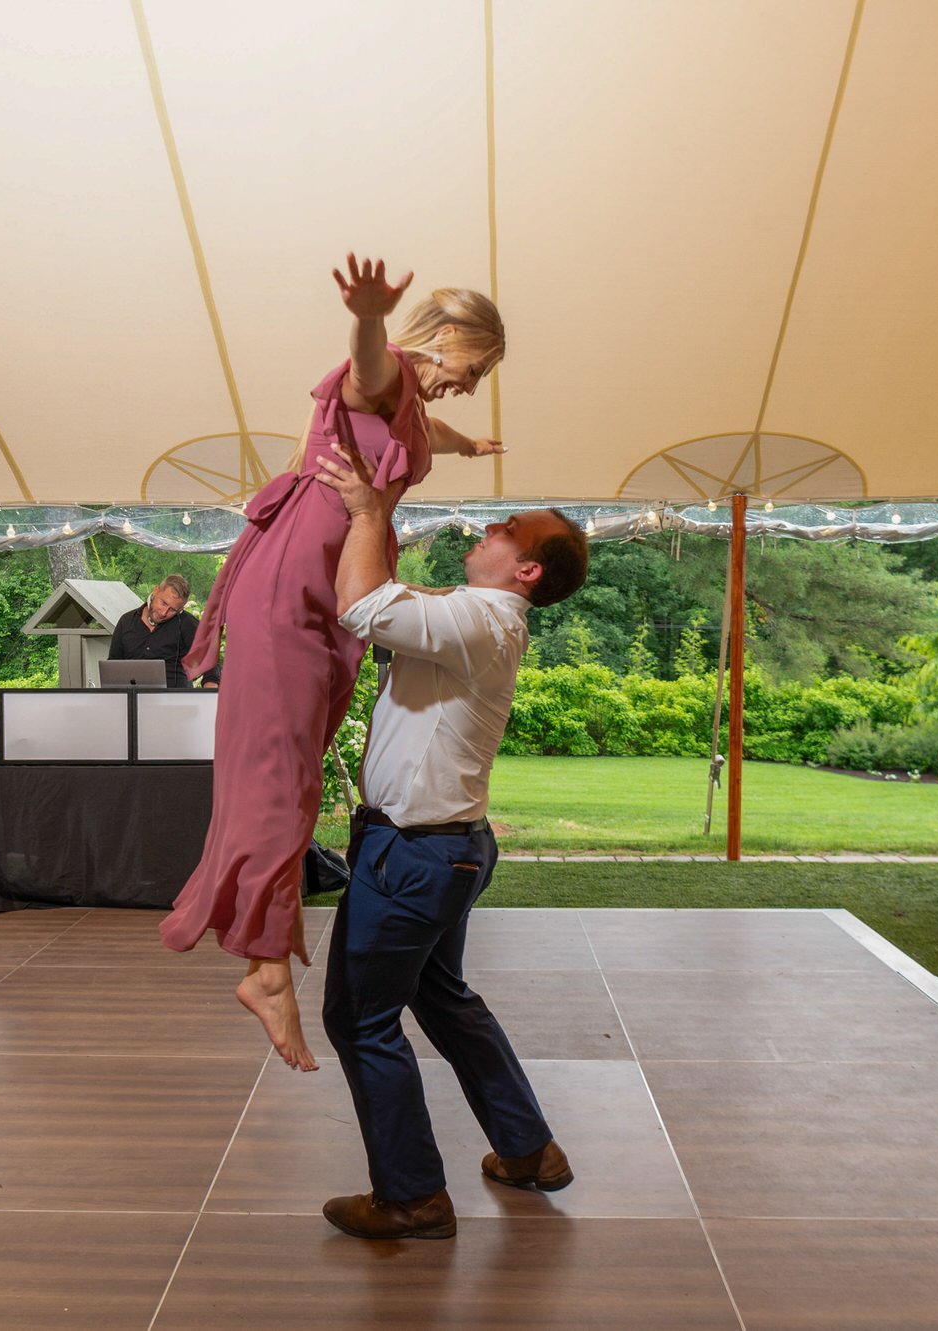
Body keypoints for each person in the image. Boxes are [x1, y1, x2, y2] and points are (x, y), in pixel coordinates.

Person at [159, 255, 508, 1073]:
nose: (472, 382)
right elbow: (369, 370)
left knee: (297, 776)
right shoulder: (381, 376)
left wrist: (466, 446)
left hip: (331, 593)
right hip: (290, 588)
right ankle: (265, 965)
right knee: (275, 777)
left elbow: (427, 425)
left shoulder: (414, 407)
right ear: (448, 335)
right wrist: (370, 315)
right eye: (475, 365)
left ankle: (265, 955)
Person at [309, 432, 591, 1241]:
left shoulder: (479, 619)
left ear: (527, 569)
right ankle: (529, 1150)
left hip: (413, 855)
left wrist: (366, 508)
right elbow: (403, 595)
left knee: (359, 1020)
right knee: (442, 996)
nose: (489, 530)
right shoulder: (481, 618)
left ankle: (411, 1195)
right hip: (448, 849)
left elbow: (363, 605)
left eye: (507, 530)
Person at [106, 575, 219, 690]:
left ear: (181, 610)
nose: (164, 613)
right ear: (156, 590)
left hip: (175, 702)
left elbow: (211, 663)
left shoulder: (188, 624)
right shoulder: (127, 621)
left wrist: (209, 692)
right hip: (132, 701)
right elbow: (113, 666)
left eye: (173, 610)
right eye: (163, 603)